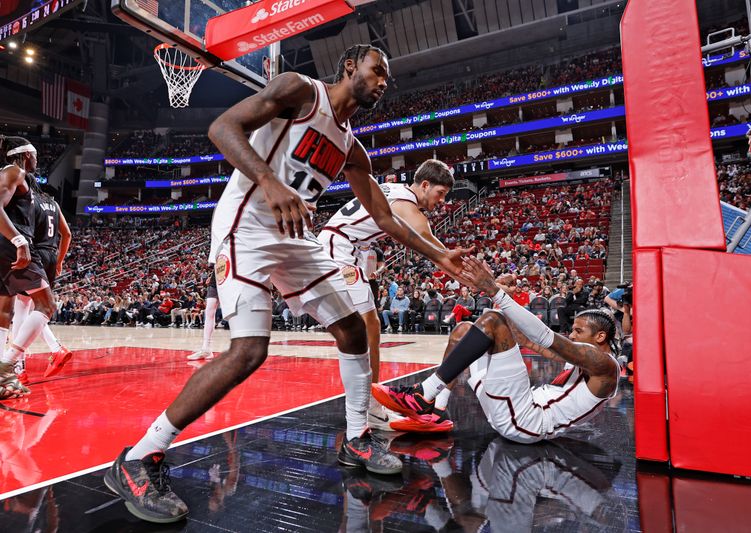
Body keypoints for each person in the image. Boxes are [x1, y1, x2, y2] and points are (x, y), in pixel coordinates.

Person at [104, 44, 468, 524]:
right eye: (377, 70)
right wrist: (270, 183)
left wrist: (441, 256)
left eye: (387, 78)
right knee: (250, 351)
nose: (383, 81)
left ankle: (357, 438)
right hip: (246, 228)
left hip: (294, 238)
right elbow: (222, 128)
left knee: (354, 329)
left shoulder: (352, 147)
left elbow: (385, 216)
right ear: (349, 67)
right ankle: (140, 458)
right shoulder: (300, 90)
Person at [371, 258, 619, 442]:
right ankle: (436, 409)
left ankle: (422, 394)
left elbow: (543, 337)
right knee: (464, 330)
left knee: (492, 320)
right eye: (572, 330)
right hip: (515, 408)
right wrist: (499, 297)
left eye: (578, 332)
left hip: (529, 421)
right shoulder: (584, 357)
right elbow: (523, 337)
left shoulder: (605, 367)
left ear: (600, 337)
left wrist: (495, 292)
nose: (572, 335)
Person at [319, 158, 455, 428]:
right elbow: (426, 239)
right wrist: (457, 264)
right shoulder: (405, 199)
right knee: (368, 327)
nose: (442, 202)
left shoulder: (393, 190)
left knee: (366, 328)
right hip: (340, 248)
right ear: (425, 185)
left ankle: (368, 400)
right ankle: (369, 403)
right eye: (440, 194)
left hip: (346, 248)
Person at [0, 137, 58, 400]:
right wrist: (20, 241)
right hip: (14, 245)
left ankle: (3, 377)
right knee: (46, 306)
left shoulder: (22, 180)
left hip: (6, 245)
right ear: (24, 155)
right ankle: (5, 366)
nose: (37, 160)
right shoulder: (14, 171)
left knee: (4, 311)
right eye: (34, 154)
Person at [12, 186, 72, 383]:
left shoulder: (30, 201)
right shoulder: (53, 204)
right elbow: (67, 234)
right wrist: (60, 260)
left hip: (34, 254)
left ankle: (18, 367)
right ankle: (55, 348)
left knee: (21, 308)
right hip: (51, 257)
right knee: (36, 308)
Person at [186, 272, 219, 360]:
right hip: (216, 277)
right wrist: (211, 275)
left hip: (231, 277)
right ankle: (206, 348)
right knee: (209, 311)